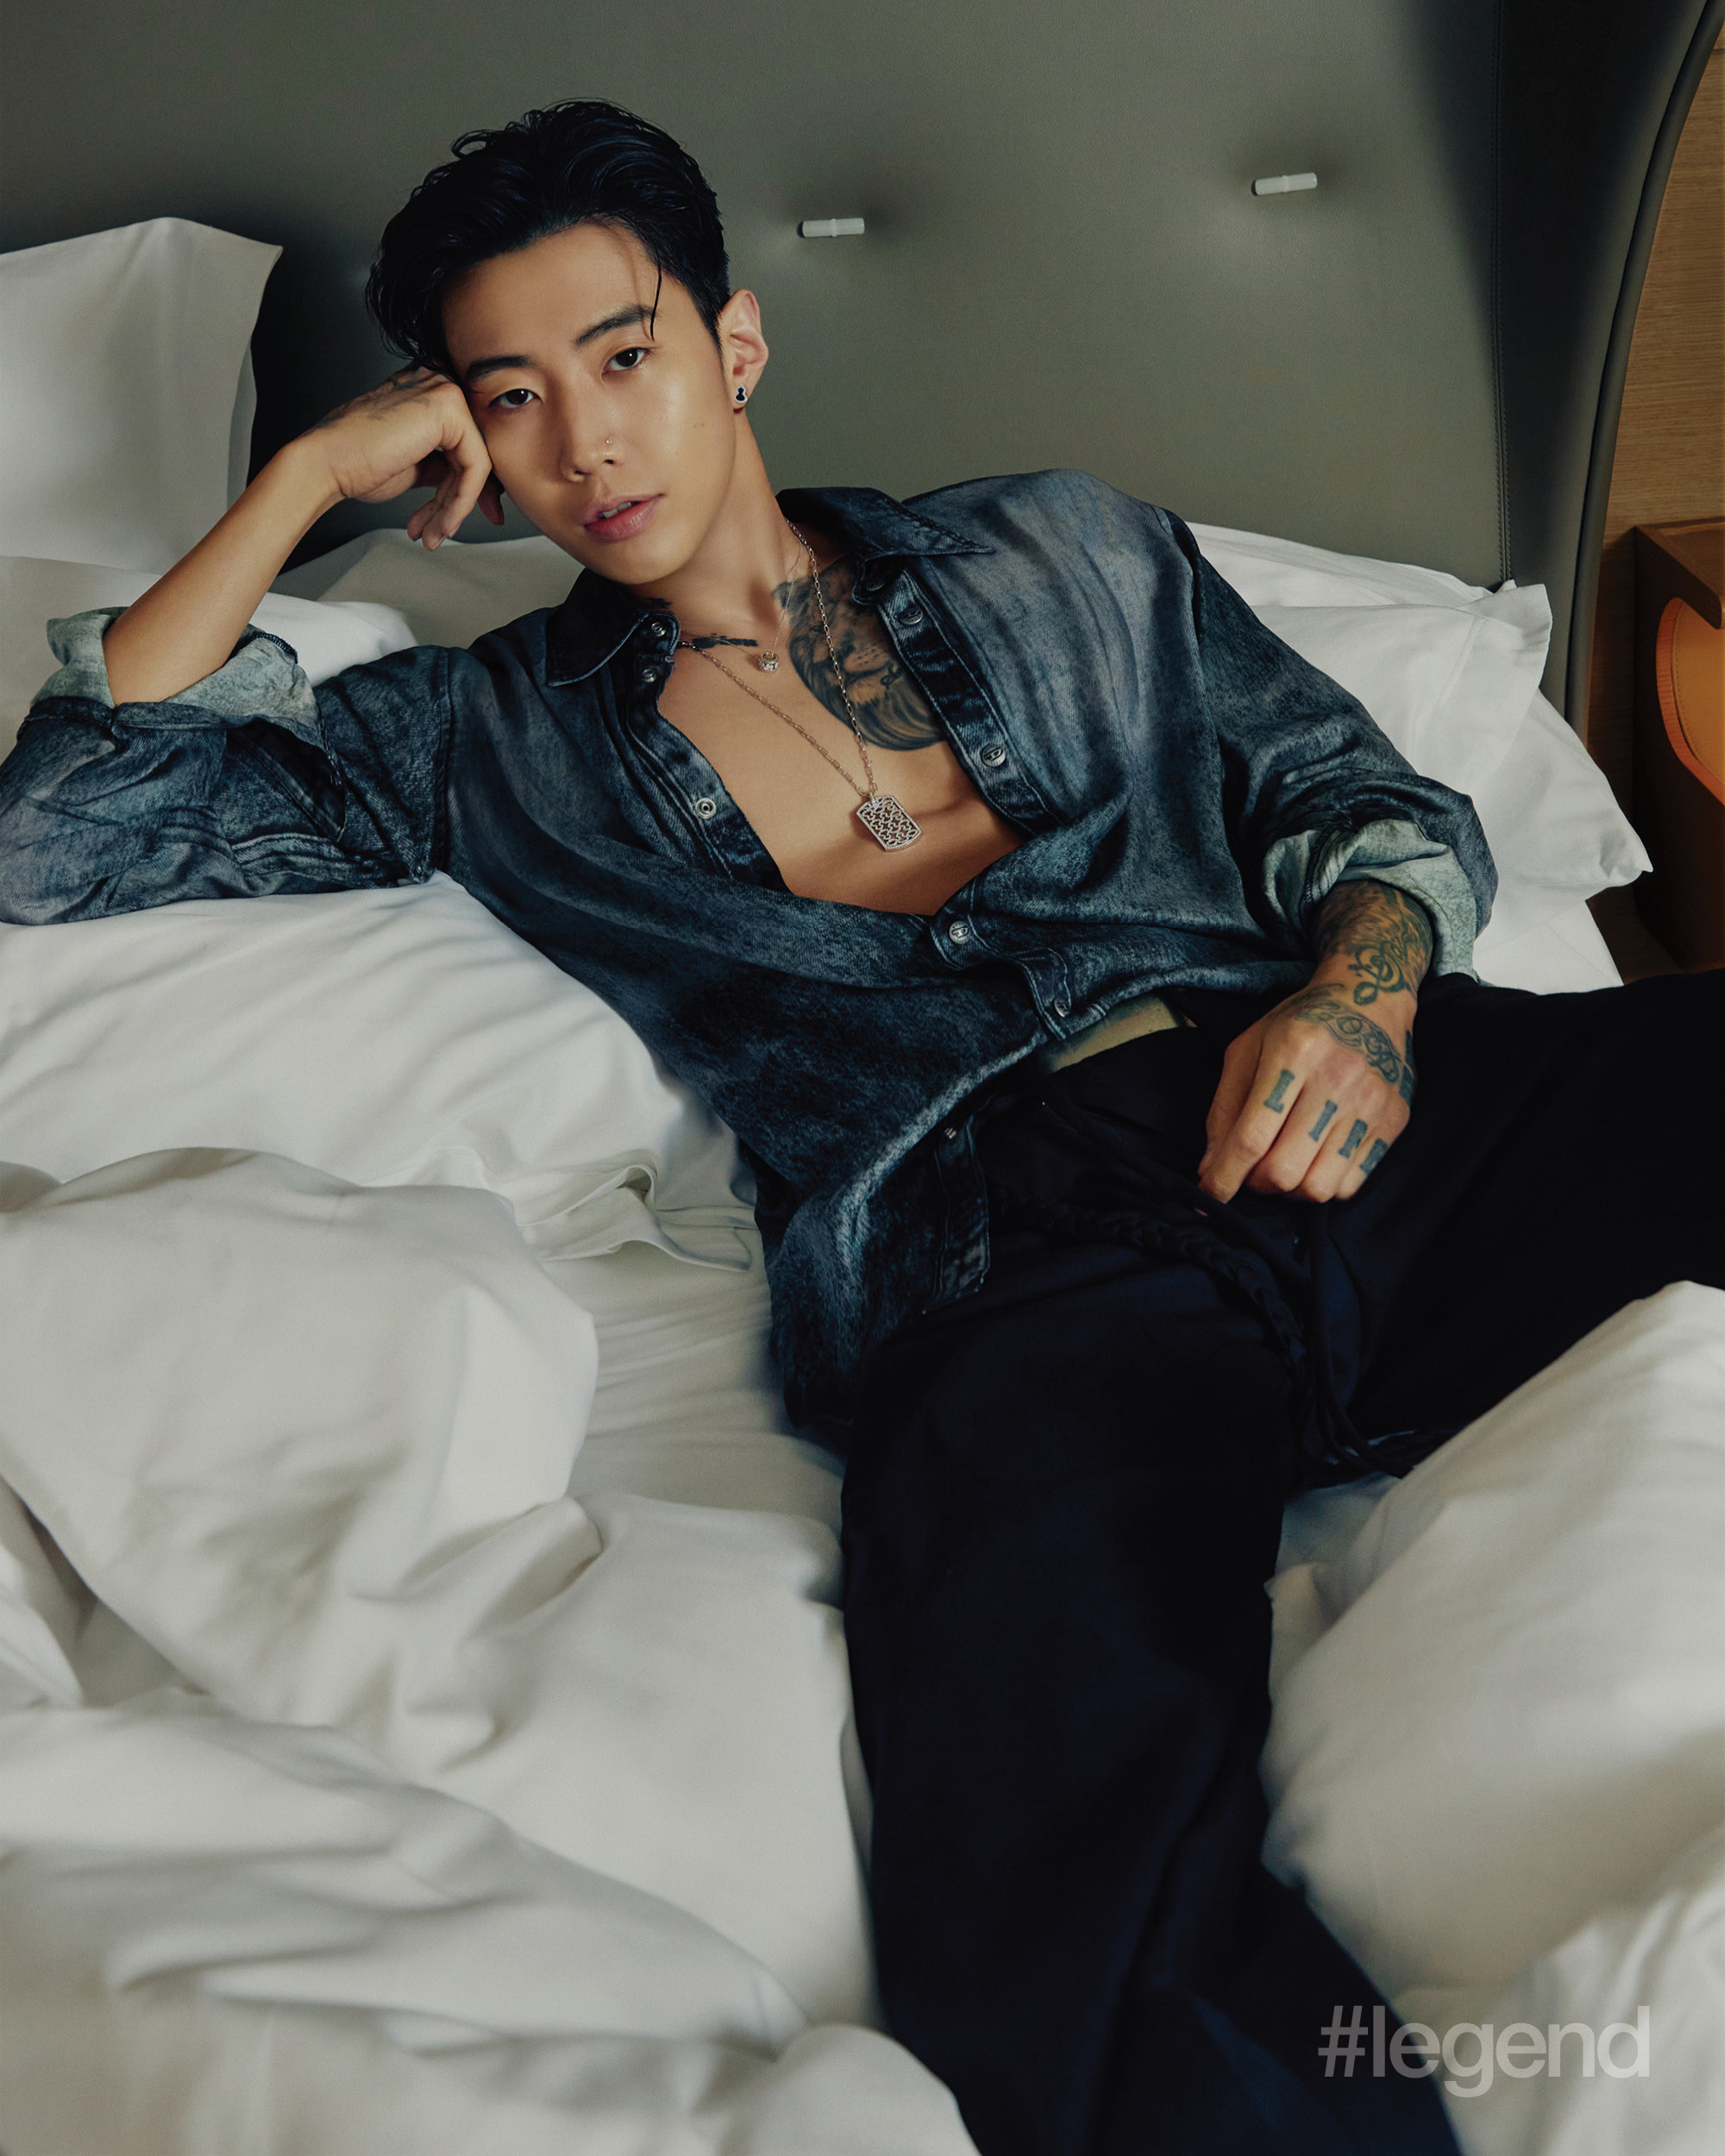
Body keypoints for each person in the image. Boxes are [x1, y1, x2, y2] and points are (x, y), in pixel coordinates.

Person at [1, 99, 1717, 2156]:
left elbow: (1352, 804)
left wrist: (1356, 996)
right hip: (1010, 1250)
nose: (588, 442)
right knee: (1048, 1859)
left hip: (1344, 1094)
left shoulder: (1070, 547)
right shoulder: (483, 737)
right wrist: (298, 480)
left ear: (732, 343)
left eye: (622, 354)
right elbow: (57, 835)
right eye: (511, 395)